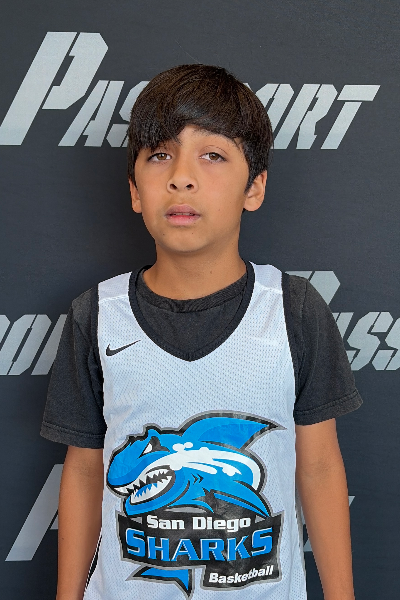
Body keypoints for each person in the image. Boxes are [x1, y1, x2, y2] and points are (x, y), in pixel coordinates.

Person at [41, 64, 362, 600]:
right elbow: (85, 470)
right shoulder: (96, 314)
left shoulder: (293, 310)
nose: (181, 177)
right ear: (135, 190)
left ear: (254, 187)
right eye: (159, 155)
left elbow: (321, 467)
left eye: (212, 155)